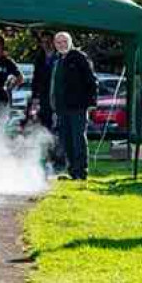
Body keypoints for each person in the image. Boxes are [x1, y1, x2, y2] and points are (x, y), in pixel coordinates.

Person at [50, 32, 98, 180]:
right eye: (58, 42)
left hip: (78, 107)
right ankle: (72, 171)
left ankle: (81, 172)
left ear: (70, 42)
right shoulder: (58, 60)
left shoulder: (79, 57)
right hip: (62, 108)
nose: (61, 45)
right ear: (55, 44)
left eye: (64, 41)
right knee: (67, 140)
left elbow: (92, 81)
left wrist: (91, 103)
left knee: (78, 140)